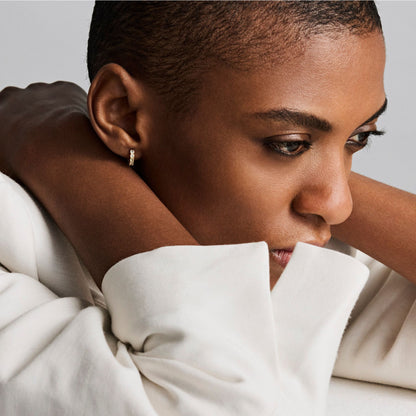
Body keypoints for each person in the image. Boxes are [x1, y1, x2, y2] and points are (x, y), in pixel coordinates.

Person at [0, 1, 415, 415]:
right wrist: (76, 164)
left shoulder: (285, 250)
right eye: (288, 144)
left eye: (358, 138)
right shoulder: (10, 237)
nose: (339, 205)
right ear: (123, 115)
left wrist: (52, 140)